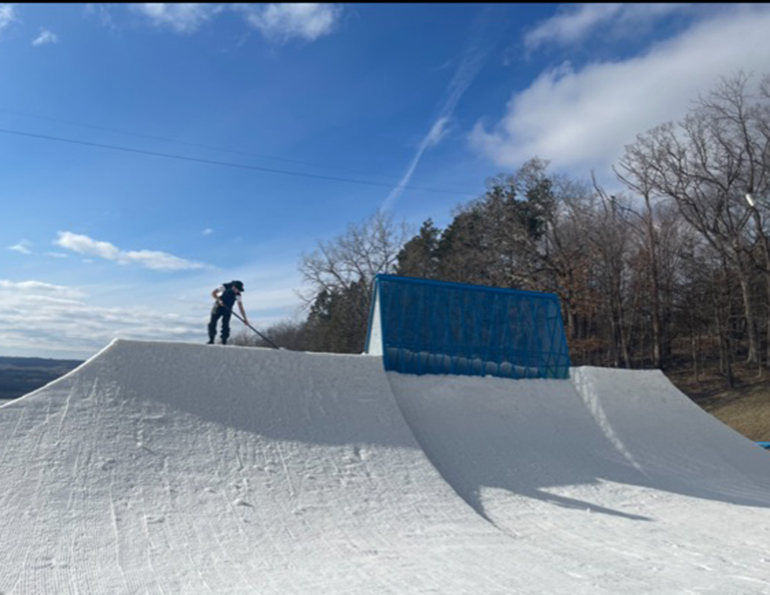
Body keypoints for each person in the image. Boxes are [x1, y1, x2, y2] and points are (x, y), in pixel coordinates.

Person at [207, 280, 248, 345]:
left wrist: (245, 319)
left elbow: (240, 306)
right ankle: (211, 339)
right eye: (238, 289)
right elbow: (213, 293)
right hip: (218, 306)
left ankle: (224, 341)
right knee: (213, 322)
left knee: (225, 324)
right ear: (234, 287)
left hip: (228, 308)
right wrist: (219, 300)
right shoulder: (224, 286)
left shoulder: (238, 294)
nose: (238, 291)